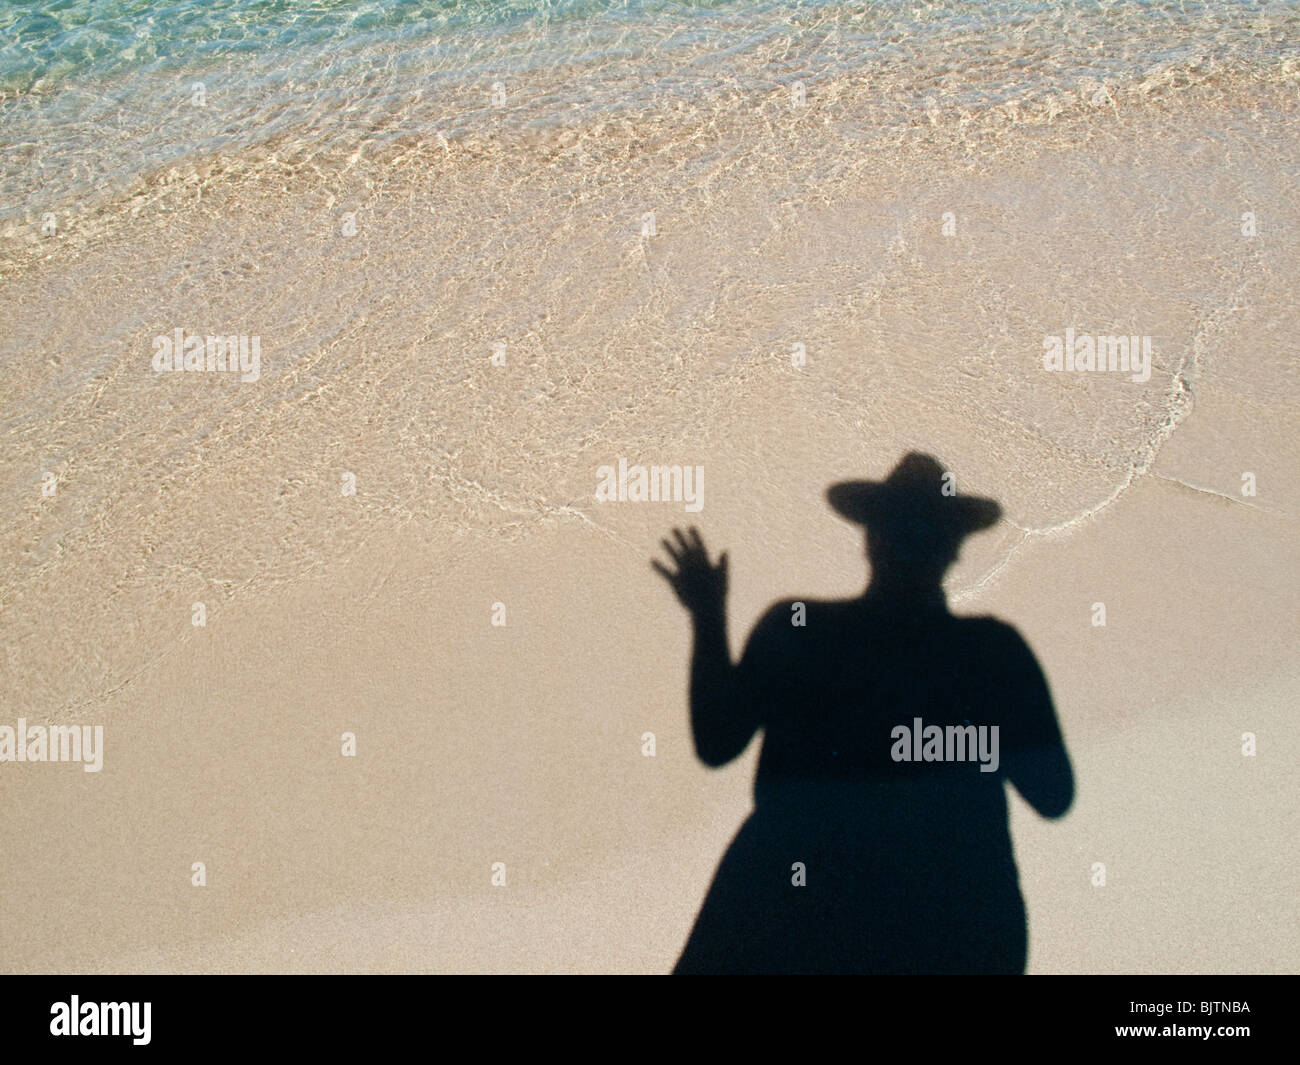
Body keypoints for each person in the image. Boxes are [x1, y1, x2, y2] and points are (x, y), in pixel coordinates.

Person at [653, 452, 1074, 974]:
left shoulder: (798, 628)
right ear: (955, 548)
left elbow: (718, 743)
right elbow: (1054, 794)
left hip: (787, 909)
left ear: (870, 538)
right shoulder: (992, 652)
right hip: (950, 923)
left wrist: (709, 616)